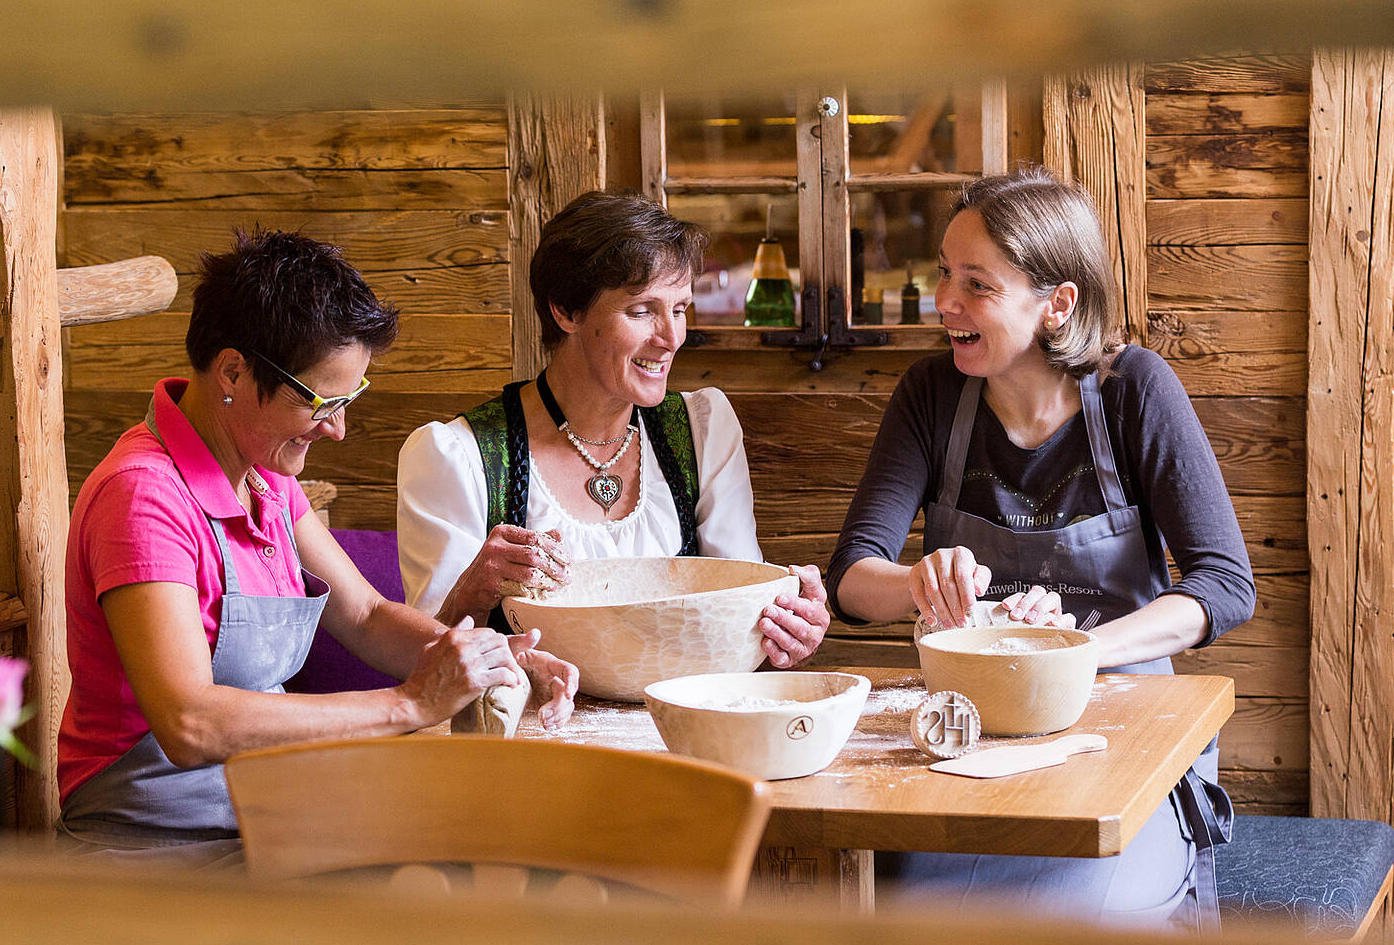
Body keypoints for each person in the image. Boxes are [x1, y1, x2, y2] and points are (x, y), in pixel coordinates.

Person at [56, 232, 577, 862]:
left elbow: (365, 616)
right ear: (233, 373)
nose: (338, 427)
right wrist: (410, 703)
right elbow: (191, 722)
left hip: (260, 813)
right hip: (153, 846)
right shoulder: (143, 498)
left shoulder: (265, 475)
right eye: (322, 401)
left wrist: (487, 658)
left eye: (349, 399)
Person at [828, 168, 1255, 929]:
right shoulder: (930, 396)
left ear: (1056, 304)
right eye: (944, 276)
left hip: (1127, 736)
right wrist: (920, 582)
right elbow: (851, 581)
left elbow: (1224, 585)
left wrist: (1074, 650)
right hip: (967, 735)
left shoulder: (1134, 391)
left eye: (977, 284)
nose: (945, 303)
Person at [397, 191, 830, 669]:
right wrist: (470, 595)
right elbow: (426, 662)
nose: (671, 338)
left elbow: (738, 621)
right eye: (642, 311)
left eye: (680, 309)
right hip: (531, 736)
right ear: (565, 311)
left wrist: (784, 630)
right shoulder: (457, 455)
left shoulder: (703, 431)